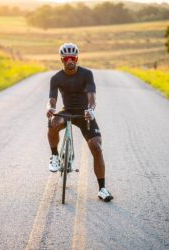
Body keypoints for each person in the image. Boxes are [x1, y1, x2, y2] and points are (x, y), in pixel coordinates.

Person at [46, 43, 113, 202]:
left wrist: (90, 110)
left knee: (96, 147)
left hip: (85, 113)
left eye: (73, 57)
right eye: (67, 58)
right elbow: (52, 99)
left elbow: (92, 96)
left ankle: (102, 189)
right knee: (52, 123)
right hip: (67, 110)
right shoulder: (56, 78)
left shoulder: (86, 74)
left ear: (77, 58)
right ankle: (55, 156)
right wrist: (50, 108)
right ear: (62, 59)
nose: (70, 60)